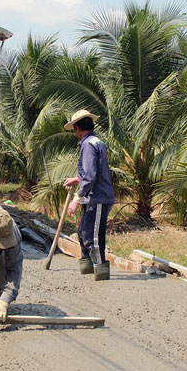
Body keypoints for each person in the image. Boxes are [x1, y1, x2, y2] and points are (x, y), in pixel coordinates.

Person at [62, 109, 115, 281]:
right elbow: (93, 173)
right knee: (83, 231)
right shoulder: (95, 142)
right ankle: (86, 268)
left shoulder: (89, 145)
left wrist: (76, 200)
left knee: (92, 236)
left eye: (75, 130)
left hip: (97, 197)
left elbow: (91, 176)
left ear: (78, 127)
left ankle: (101, 271)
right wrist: (77, 179)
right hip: (93, 196)